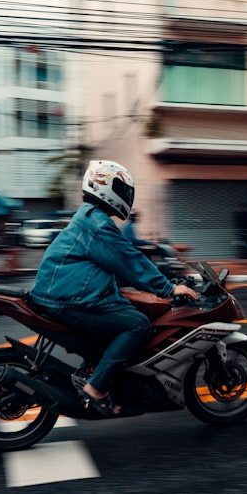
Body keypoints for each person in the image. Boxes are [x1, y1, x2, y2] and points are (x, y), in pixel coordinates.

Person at [28, 160, 199, 416]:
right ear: (105, 188)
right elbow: (128, 260)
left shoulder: (89, 217)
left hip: (63, 294)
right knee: (138, 325)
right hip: (68, 299)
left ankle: (91, 371)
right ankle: (96, 388)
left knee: (123, 311)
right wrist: (168, 289)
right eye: (122, 190)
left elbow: (116, 262)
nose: (126, 196)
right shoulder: (98, 224)